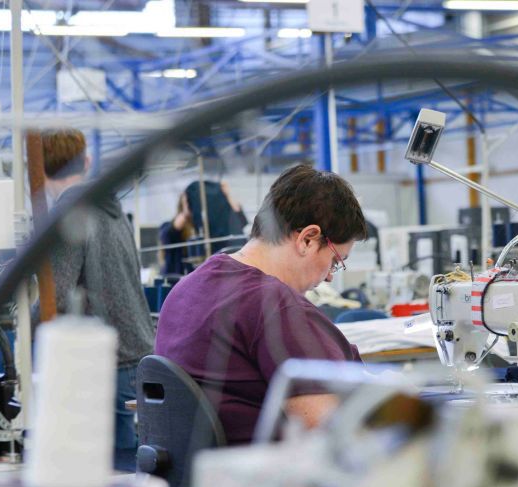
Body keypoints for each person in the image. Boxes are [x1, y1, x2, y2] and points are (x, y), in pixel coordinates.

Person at [155, 164, 368, 445]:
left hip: (198, 477)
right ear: (307, 239)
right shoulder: (277, 307)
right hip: (263, 479)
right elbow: (333, 432)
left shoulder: (187, 287)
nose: (329, 275)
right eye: (335, 261)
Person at [40, 128, 154, 455]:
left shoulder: (69, 215)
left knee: (111, 481)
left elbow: (55, 297)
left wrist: (18, 325)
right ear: (86, 162)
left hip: (109, 365)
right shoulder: (111, 210)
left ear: (34, 169)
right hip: (139, 356)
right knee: (134, 473)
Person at [158, 180, 248, 276]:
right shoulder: (169, 226)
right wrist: (185, 212)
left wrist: (227, 197)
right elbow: (169, 234)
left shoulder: (209, 227)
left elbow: (241, 222)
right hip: (179, 278)